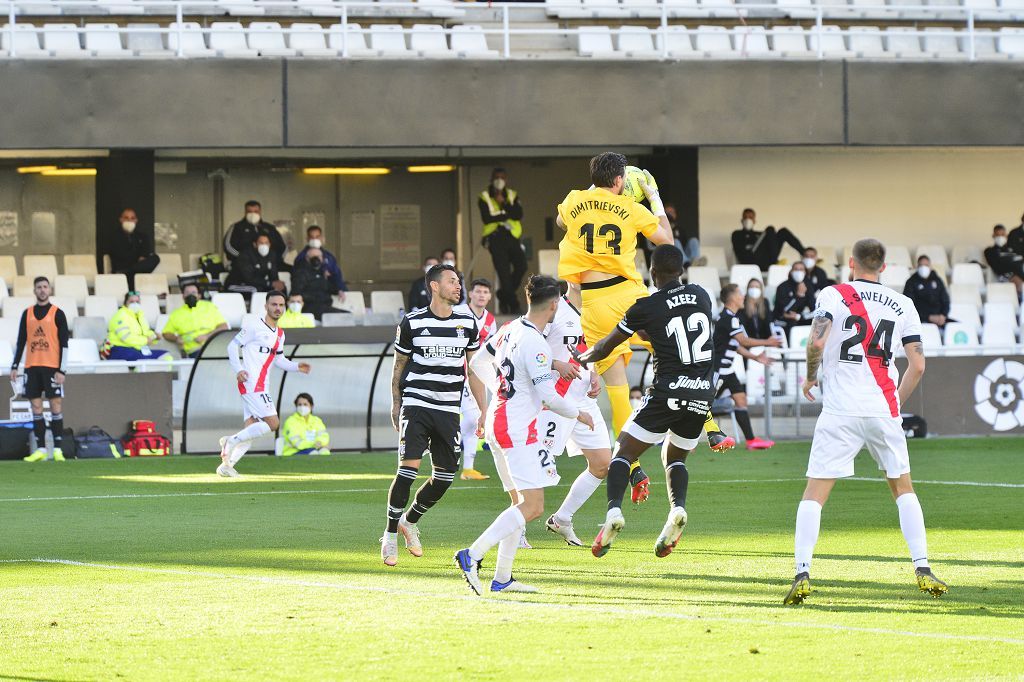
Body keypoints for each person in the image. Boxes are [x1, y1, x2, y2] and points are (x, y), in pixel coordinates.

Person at [555, 152, 735, 505]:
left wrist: (594, 190)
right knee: (681, 353)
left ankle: (633, 465)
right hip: (631, 291)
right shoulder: (631, 208)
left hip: (594, 300)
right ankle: (711, 428)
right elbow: (666, 242)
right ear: (621, 181)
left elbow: (563, 222)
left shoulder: (575, 200)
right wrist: (653, 197)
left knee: (618, 387)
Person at [783, 238, 947, 605]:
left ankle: (802, 571)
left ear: (852, 265)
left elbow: (816, 343)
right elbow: (918, 365)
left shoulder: (833, 294)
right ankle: (922, 567)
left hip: (840, 409)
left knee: (815, 492)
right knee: (903, 488)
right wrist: (893, 402)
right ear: (883, 268)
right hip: (882, 409)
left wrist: (811, 377)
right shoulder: (904, 304)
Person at [455, 276, 595, 595]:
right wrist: (579, 413)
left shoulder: (509, 327)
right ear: (555, 305)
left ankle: (502, 578)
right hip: (514, 427)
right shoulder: (536, 343)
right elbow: (548, 396)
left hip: (504, 420)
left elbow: (477, 362)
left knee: (522, 503)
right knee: (532, 506)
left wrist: (503, 390)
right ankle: (471, 555)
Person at [577, 245, 715, 559]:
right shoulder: (702, 295)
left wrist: (580, 358)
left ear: (651, 272)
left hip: (667, 390)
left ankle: (613, 513)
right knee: (675, 457)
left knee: (622, 451)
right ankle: (677, 509)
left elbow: (605, 347)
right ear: (681, 270)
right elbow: (674, 328)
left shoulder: (645, 307)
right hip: (702, 391)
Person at [381, 264, 487, 567]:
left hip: (448, 409)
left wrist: (482, 410)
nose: (458, 286)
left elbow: (475, 371)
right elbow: (398, 365)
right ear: (434, 286)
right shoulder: (412, 322)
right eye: (452, 281)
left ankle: (410, 522)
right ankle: (389, 535)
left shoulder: (467, 323)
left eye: (459, 281)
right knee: (408, 470)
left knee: (444, 477)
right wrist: (395, 403)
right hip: (416, 404)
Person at [217, 291, 312, 477]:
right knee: (273, 423)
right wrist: (238, 370)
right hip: (251, 382)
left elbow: (279, 360)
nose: (278, 308)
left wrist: (296, 366)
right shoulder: (253, 325)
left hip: (262, 384)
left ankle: (226, 466)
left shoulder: (280, 334)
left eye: (281, 305)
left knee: (251, 429)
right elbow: (231, 346)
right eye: (274, 304)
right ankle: (230, 441)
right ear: (266, 306)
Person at [714, 284, 782, 451]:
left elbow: (736, 345)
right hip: (717, 371)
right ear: (732, 298)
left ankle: (751, 440)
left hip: (728, 371)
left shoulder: (730, 317)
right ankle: (681, 440)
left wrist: (756, 357)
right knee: (700, 406)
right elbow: (743, 341)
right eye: (740, 293)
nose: (743, 296)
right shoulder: (729, 318)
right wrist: (768, 341)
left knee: (741, 400)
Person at [10, 277, 69, 462]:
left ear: (49, 290)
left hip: (52, 367)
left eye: (45, 287)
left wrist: (62, 370)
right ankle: (41, 449)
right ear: (34, 291)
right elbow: (21, 342)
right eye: (39, 287)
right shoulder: (27, 314)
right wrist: (14, 365)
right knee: (36, 407)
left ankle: (58, 450)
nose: (42, 290)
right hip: (31, 367)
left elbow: (65, 344)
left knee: (55, 406)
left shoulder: (58, 313)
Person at [454, 278, 497, 481]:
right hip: (454, 374)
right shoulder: (459, 313)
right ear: (470, 294)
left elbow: (493, 352)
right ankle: (450, 452)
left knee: (474, 419)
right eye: (478, 291)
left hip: (477, 376)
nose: (481, 295)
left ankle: (468, 468)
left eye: (485, 292)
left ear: (489, 296)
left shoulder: (490, 320)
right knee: (458, 418)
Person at [479, 168, 528, 314]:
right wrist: (506, 215)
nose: (499, 180)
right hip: (495, 237)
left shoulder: (512, 195)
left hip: (512, 236)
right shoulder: (484, 196)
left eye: (502, 177)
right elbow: (486, 218)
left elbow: (518, 214)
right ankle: (513, 304)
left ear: (506, 180)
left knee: (522, 266)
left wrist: (504, 204)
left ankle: (503, 295)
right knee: (504, 273)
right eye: (496, 177)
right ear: (491, 179)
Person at [161, 283, 229, 358]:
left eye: (193, 292)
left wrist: (206, 336)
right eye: (187, 293)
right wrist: (177, 338)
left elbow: (223, 326)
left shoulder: (209, 307)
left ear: (199, 295)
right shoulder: (176, 313)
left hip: (213, 345)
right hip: (194, 350)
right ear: (183, 296)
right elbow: (166, 333)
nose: (190, 295)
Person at [731, 208, 806, 271]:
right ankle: (775, 262)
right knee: (770, 229)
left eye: (750, 217)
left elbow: (770, 245)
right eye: (745, 217)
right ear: (742, 220)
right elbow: (739, 252)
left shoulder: (760, 234)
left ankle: (806, 254)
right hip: (750, 260)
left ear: (754, 221)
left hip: (766, 261)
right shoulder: (737, 234)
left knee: (783, 232)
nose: (748, 220)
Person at [105, 292, 169, 361]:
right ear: (125, 303)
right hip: (119, 349)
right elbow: (125, 337)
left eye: (137, 302)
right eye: (131, 302)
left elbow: (145, 332)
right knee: (146, 361)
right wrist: (145, 340)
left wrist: (155, 336)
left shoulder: (140, 315)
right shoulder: (120, 315)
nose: (135, 304)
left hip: (137, 349)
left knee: (166, 356)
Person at [223, 200, 286, 270]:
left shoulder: (270, 228)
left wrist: (276, 260)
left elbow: (282, 246)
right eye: (249, 212)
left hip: (269, 266)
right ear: (245, 212)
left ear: (260, 212)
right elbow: (228, 246)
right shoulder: (236, 227)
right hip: (243, 267)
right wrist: (242, 258)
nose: (253, 214)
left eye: (256, 211)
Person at [108, 208, 160, 290]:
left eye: (132, 218)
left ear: (136, 220)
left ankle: (130, 272)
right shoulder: (113, 237)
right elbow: (119, 255)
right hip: (122, 267)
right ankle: (131, 271)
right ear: (121, 220)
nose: (129, 221)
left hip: (136, 268)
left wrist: (141, 257)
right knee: (137, 267)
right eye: (126, 218)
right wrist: (138, 258)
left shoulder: (142, 236)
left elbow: (145, 253)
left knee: (155, 258)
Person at [295, 225, 347, 303]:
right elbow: (298, 279)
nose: (315, 239)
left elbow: (337, 276)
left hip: (330, 294)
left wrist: (340, 289)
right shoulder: (301, 257)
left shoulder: (329, 257)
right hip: (310, 297)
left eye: (317, 236)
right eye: (312, 237)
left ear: (322, 238)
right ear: (307, 239)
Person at [291, 248, 342, 320]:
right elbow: (296, 293)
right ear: (307, 258)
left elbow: (329, 287)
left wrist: (338, 290)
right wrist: (317, 296)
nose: (316, 259)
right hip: (310, 307)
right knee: (341, 316)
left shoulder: (322, 272)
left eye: (318, 256)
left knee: (348, 315)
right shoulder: (301, 273)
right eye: (313, 256)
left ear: (322, 258)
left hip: (325, 306)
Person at [903, 256, 951, 328]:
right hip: (920, 320)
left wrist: (943, 315)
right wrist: (928, 317)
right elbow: (909, 306)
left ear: (930, 266)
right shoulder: (911, 282)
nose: (923, 268)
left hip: (940, 320)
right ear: (917, 267)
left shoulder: (937, 280)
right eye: (921, 265)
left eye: (926, 265)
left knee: (956, 327)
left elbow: (945, 300)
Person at [772, 261, 815, 335]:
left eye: (801, 269)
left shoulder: (808, 286)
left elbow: (814, 309)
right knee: (792, 323)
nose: (798, 272)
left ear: (805, 272)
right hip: (781, 319)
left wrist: (800, 316)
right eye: (796, 269)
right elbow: (785, 310)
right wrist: (798, 295)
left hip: (799, 317)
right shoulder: (782, 287)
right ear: (791, 272)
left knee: (818, 321)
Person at [984, 225, 1024, 292]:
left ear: (1006, 236)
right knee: (1018, 281)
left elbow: (1020, 261)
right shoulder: (989, 251)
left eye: (1002, 235)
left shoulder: (1013, 249)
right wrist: (1013, 262)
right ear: (993, 236)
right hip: (1003, 276)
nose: (1000, 237)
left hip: (1018, 273)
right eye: (997, 235)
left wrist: (1009, 261)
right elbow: (997, 266)